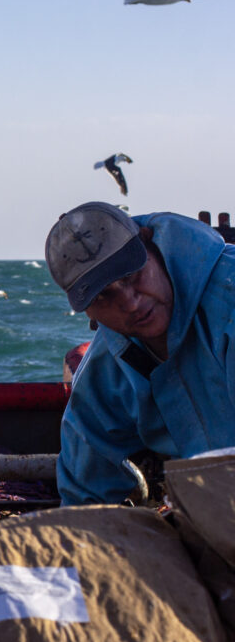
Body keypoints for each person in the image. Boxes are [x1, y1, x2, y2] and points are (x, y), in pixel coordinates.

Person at [45, 201, 235, 506]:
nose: (131, 303)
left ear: (149, 241)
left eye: (133, 275)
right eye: (104, 295)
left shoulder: (229, 300)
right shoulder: (107, 370)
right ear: (88, 313)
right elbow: (83, 497)